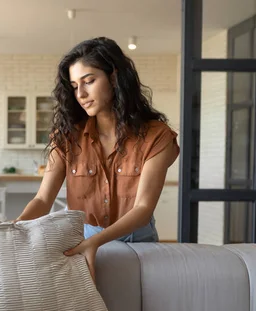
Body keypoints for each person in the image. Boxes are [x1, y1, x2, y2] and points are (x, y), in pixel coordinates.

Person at [15, 37, 180, 281]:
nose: (80, 94)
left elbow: (143, 209)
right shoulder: (67, 137)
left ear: (114, 78)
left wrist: (96, 242)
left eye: (89, 81)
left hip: (139, 244)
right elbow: (42, 199)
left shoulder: (157, 136)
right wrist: (14, 229)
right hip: (85, 240)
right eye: (74, 86)